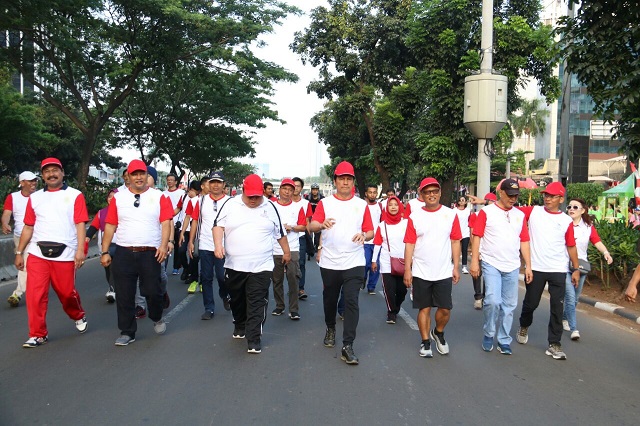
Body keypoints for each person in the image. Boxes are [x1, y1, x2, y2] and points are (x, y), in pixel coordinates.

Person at [14, 158, 89, 348]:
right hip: (38, 253)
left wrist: (80, 250)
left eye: (55, 170)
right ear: (43, 176)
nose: (51, 174)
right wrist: (19, 251)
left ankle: (77, 314)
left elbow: (81, 223)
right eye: (47, 171)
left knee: (66, 293)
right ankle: (37, 334)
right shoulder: (35, 197)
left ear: (62, 173)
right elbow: (28, 227)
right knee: (35, 295)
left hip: (65, 253)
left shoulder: (75, 195)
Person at [213, 174, 290, 354]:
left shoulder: (270, 207)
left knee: (256, 301)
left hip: (261, 266)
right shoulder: (230, 204)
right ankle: (240, 324)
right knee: (237, 300)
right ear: (243, 190)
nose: (254, 200)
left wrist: (286, 252)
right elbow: (218, 226)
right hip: (234, 265)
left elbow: (280, 232)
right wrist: (218, 245)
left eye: (257, 196)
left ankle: (254, 337)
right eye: (250, 197)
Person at [101, 159, 174, 346]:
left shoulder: (159, 197)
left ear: (147, 176)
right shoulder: (118, 198)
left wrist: (164, 245)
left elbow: (166, 223)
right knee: (124, 294)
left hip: (150, 252)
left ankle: (156, 316)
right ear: (128, 177)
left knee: (152, 291)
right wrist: (105, 251)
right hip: (124, 252)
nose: (139, 177)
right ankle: (127, 331)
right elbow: (110, 225)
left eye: (142, 173)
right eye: (135, 174)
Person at [308, 161, 374, 365]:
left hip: (354, 260)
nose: (345, 182)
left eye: (349, 179)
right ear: (335, 181)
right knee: (330, 298)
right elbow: (311, 226)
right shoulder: (325, 203)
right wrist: (321, 224)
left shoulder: (361, 205)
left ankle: (348, 345)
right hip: (330, 261)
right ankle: (330, 328)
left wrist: (364, 235)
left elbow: (370, 231)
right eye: (341, 178)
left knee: (351, 301)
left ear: (353, 182)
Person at [516, 181, 581, 360]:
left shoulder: (566, 221)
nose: (547, 198)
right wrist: (485, 203)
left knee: (556, 308)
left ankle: (554, 343)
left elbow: (571, 246)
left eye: (552, 196)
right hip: (536, 268)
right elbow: (509, 209)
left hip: (558, 269)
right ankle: (524, 324)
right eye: (546, 195)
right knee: (531, 303)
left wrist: (575, 269)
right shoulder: (534, 212)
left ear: (560, 199)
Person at [470, 179, 532, 355]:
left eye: (516, 196)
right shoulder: (487, 213)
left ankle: (504, 339)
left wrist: (528, 266)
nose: (513, 199)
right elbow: (477, 236)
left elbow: (524, 241)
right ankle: (489, 333)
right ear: (501, 193)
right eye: (510, 195)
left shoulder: (519, 215)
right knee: (492, 301)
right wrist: (475, 261)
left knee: (509, 305)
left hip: (512, 265)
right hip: (491, 263)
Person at [403, 177, 461, 358]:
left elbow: (455, 241)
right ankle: (425, 342)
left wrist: (456, 266)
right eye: (427, 192)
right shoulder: (414, 217)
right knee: (424, 308)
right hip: (421, 270)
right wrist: (407, 269)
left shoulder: (450, 214)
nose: (432, 195)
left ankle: (439, 333)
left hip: (443, 270)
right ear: (421, 195)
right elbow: (409, 244)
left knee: (445, 309)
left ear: (440, 193)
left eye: (435, 191)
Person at [563, 198, 613, 340]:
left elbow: (596, 241)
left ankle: (564, 318)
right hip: (564, 265)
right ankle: (574, 329)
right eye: (569, 206)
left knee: (575, 298)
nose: (571, 209)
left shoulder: (588, 226)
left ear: (583, 210)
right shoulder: (563, 224)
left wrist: (606, 253)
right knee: (570, 296)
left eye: (575, 207)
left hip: (581, 266)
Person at [188, 171, 231, 319]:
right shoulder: (201, 201)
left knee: (222, 276)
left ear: (224, 185)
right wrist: (191, 241)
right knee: (205, 277)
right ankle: (209, 308)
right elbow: (195, 221)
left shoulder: (231, 202)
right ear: (208, 184)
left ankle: (225, 294)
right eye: (213, 182)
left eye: (219, 182)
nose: (216, 185)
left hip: (224, 246)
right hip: (205, 244)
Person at [271, 178, 306, 320]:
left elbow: (303, 226)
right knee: (276, 280)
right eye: (285, 189)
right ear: (279, 189)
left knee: (293, 278)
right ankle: (280, 306)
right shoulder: (271, 206)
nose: (287, 192)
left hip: (292, 248)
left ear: (294, 191)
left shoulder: (298, 207)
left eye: (290, 189)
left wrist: (290, 227)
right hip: (275, 248)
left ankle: (294, 309)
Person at [2, 171, 38, 307]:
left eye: (35, 180)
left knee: (26, 265)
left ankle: (17, 293)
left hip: (36, 235)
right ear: (22, 183)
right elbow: (6, 214)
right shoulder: (13, 197)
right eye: (30, 181)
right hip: (19, 236)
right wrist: (5, 223)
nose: (33, 183)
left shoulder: (40, 197)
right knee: (23, 265)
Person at [371, 196, 408, 324]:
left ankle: (396, 306)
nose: (393, 207)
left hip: (403, 261)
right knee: (389, 290)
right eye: (390, 205)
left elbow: (412, 242)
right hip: (387, 261)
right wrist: (374, 260)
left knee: (402, 290)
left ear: (400, 207)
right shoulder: (382, 225)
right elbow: (377, 244)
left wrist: (413, 258)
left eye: (395, 204)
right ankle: (391, 313)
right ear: (387, 207)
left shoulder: (406, 223)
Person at [86, 188, 119, 303]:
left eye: (115, 196)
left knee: (116, 267)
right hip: (105, 245)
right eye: (110, 196)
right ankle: (112, 288)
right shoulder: (101, 212)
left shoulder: (124, 211)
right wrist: (87, 237)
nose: (112, 199)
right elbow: (94, 226)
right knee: (108, 269)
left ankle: (113, 289)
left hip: (120, 244)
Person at [468, 192, 497, 309]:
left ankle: (486, 296)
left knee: (488, 275)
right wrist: (476, 249)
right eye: (490, 201)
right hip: (479, 248)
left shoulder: (499, 217)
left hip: (491, 251)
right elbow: (472, 233)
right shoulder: (477, 215)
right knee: (476, 273)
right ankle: (478, 297)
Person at [177, 180, 201, 283]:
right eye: (189, 190)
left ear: (198, 191)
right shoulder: (184, 198)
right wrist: (182, 232)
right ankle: (186, 268)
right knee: (181, 251)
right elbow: (185, 215)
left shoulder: (200, 200)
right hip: (185, 229)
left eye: (192, 190)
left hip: (195, 231)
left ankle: (193, 275)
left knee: (193, 254)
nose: (189, 192)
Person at [292, 177, 312, 299]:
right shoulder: (283, 203)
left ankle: (300, 288)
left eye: (298, 186)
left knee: (301, 263)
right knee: (289, 265)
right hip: (285, 238)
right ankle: (292, 286)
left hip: (301, 237)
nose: (295, 188)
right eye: (293, 186)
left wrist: (309, 237)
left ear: (301, 188)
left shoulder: (305, 204)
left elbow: (308, 221)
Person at [163, 173, 186, 275]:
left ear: (176, 182)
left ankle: (176, 267)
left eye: (172, 180)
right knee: (166, 243)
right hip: (167, 222)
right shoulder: (163, 194)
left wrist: (180, 221)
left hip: (178, 223)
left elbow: (182, 208)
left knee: (178, 247)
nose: (170, 182)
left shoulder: (182, 193)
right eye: (168, 180)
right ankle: (163, 267)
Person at [363, 184, 383, 294]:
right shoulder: (361, 205)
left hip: (377, 240)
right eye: (370, 192)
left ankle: (371, 287)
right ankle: (363, 277)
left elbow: (383, 222)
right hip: (364, 240)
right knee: (366, 263)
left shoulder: (380, 206)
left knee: (376, 264)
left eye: (374, 192)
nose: (372, 194)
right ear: (366, 193)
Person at [306, 183, 324, 258]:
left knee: (317, 236)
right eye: (313, 190)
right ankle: (309, 249)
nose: (315, 192)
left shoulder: (322, 198)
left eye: (316, 190)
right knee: (308, 234)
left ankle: (317, 247)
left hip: (318, 218)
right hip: (309, 217)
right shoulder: (307, 198)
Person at [455, 196, 472, 274]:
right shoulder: (454, 211)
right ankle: (453, 263)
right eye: (460, 200)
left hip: (465, 233)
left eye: (463, 200)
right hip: (456, 233)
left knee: (464, 250)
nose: (461, 202)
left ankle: (464, 266)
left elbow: (470, 222)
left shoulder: (468, 211)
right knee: (455, 250)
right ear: (458, 202)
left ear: (465, 202)